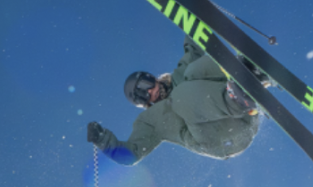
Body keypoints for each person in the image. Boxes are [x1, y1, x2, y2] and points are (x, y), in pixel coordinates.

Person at [87, 36, 261, 166]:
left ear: (152, 77)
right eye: (142, 94)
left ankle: (249, 73)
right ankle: (237, 100)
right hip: (222, 139)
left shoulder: (181, 74)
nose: (150, 91)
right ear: (141, 102)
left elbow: (193, 47)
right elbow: (131, 154)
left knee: (194, 69)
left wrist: (194, 9)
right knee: (180, 98)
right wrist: (104, 141)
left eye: (146, 82)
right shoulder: (150, 120)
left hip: (246, 117)